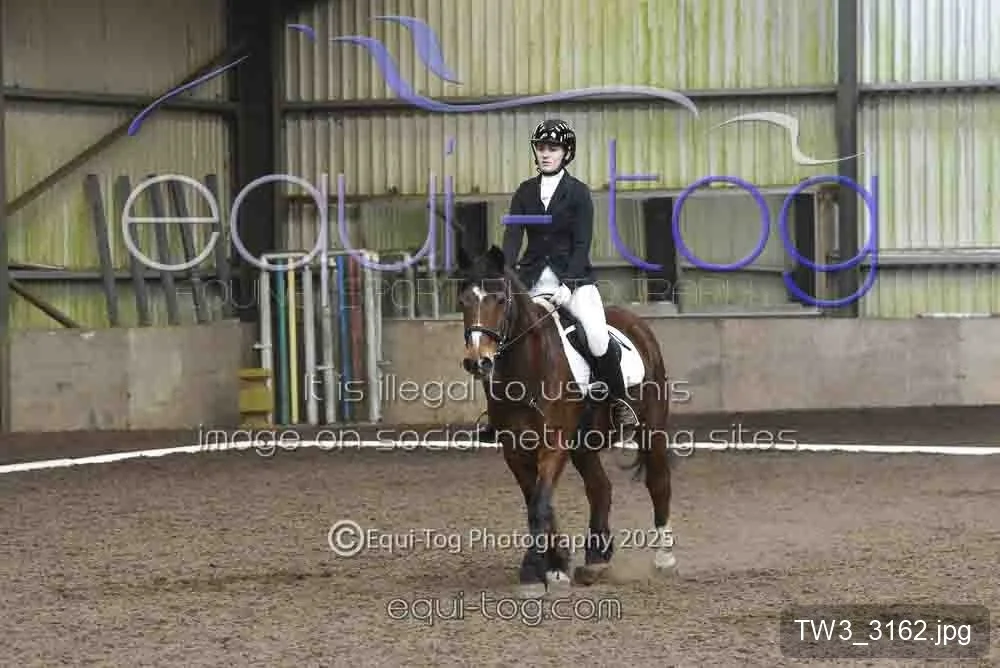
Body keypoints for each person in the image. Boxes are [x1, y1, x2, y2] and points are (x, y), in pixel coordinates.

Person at [474, 118, 639, 442]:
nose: (546, 153)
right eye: (541, 147)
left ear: (566, 153)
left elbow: (582, 243)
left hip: (574, 281)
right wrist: (503, 273)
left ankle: (619, 403)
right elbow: (512, 237)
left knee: (596, 337)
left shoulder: (578, 193)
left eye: (553, 148)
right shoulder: (524, 192)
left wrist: (570, 285)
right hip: (530, 281)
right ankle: (496, 413)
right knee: (500, 336)